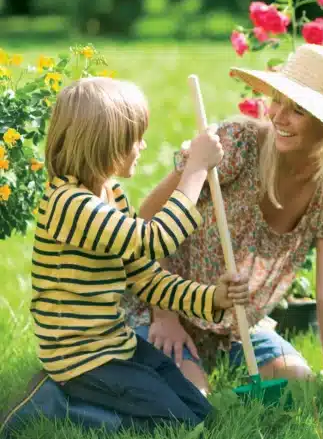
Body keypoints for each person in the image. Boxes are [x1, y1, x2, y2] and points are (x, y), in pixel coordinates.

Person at [1, 77, 248, 436]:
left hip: (116, 345)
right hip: (80, 360)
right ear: (105, 145)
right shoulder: (69, 204)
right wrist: (194, 171)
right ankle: (57, 405)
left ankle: (82, 401)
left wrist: (213, 298)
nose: (143, 146)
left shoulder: (109, 193)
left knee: (202, 416)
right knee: (176, 425)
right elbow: (156, 240)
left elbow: (145, 278)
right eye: (135, 139)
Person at [123, 43, 323, 395]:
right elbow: (147, 221)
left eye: (298, 111)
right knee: (194, 402)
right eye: (277, 100)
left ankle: (215, 364)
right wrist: (163, 316)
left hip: (237, 327)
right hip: (169, 304)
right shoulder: (237, 145)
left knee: (299, 386)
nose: (278, 117)